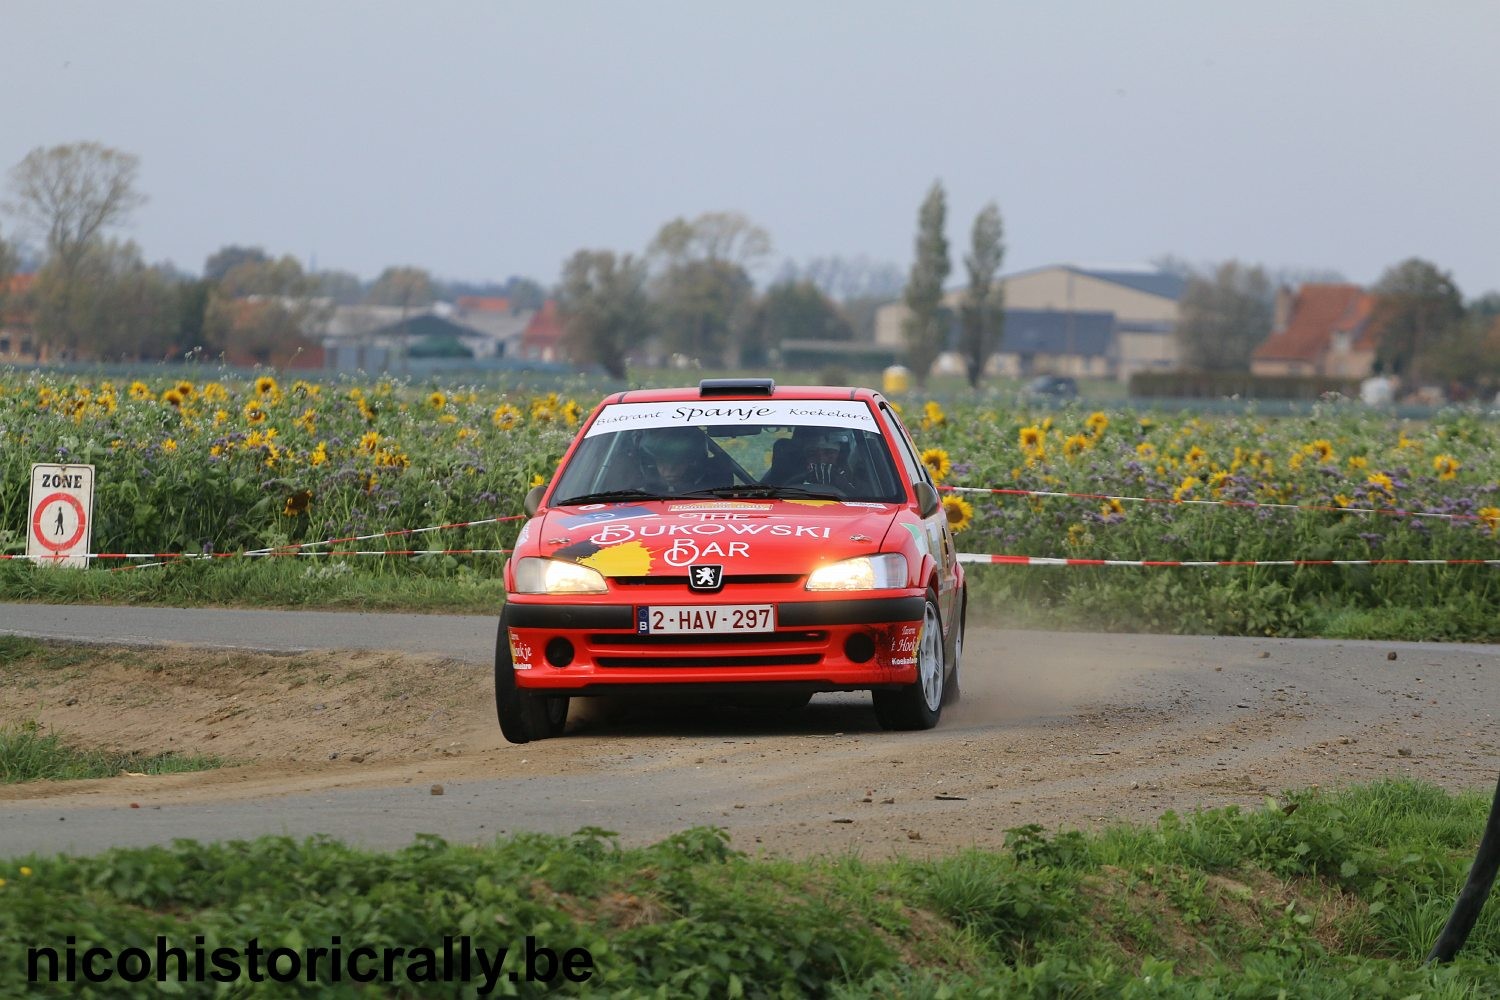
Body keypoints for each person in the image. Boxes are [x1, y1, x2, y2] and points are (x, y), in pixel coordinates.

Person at [770, 425, 858, 492]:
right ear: (804, 457)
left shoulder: (861, 479)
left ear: (840, 455)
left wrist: (843, 484)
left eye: (829, 453)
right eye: (812, 454)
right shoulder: (783, 483)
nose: (821, 459)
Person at [640, 426, 718, 493]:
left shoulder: (718, 488)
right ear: (654, 463)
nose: (670, 469)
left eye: (678, 461)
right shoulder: (636, 491)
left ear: (690, 461)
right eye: (662, 461)